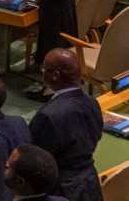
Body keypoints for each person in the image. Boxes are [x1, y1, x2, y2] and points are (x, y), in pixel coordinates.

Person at [29, 48, 103, 201]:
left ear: (55, 75)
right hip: (90, 184)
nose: (42, 72)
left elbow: (35, 159)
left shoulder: (48, 116)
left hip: (60, 191)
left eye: (44, 69)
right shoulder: (92, 103)